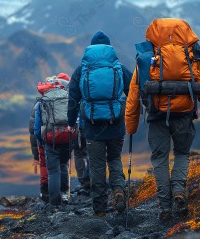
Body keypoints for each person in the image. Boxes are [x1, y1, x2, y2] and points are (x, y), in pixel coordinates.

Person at [125, 19, 200, 221]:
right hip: (184, 116)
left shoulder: (148, 57)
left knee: (159, 159)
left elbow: (134, 94)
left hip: (157, 116)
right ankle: (179, 192)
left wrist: (131, 126)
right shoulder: (191, 55)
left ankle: (165, 208)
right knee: (182, 154)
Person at [67, 31, 132, 216]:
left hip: (92, 125)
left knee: (96, 165)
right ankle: (119, 191)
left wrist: (71, 122)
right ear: (109, 48)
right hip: (116, 123)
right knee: (114, 159)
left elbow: (73, 97)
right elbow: (133, 90)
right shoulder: (118, 67)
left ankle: (100, 208)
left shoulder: (82, 70)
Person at [34, 73, 72, 205]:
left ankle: (55, 202)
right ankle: (65, 195)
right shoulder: (67, 96)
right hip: (67, 137)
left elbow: (37, 126)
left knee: (53, 171)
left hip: (50, 140)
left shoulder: (44, 100)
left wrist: (42, 140)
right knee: (63, 166)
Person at [29, 98, 49, 202]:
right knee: (61, 165)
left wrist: (36, 155)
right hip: (61, 140)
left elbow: (34, 131)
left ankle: (45, 193)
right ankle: (62, 192)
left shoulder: (39, 104)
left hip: (43, 141)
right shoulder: (65, 100)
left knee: (44, 165)